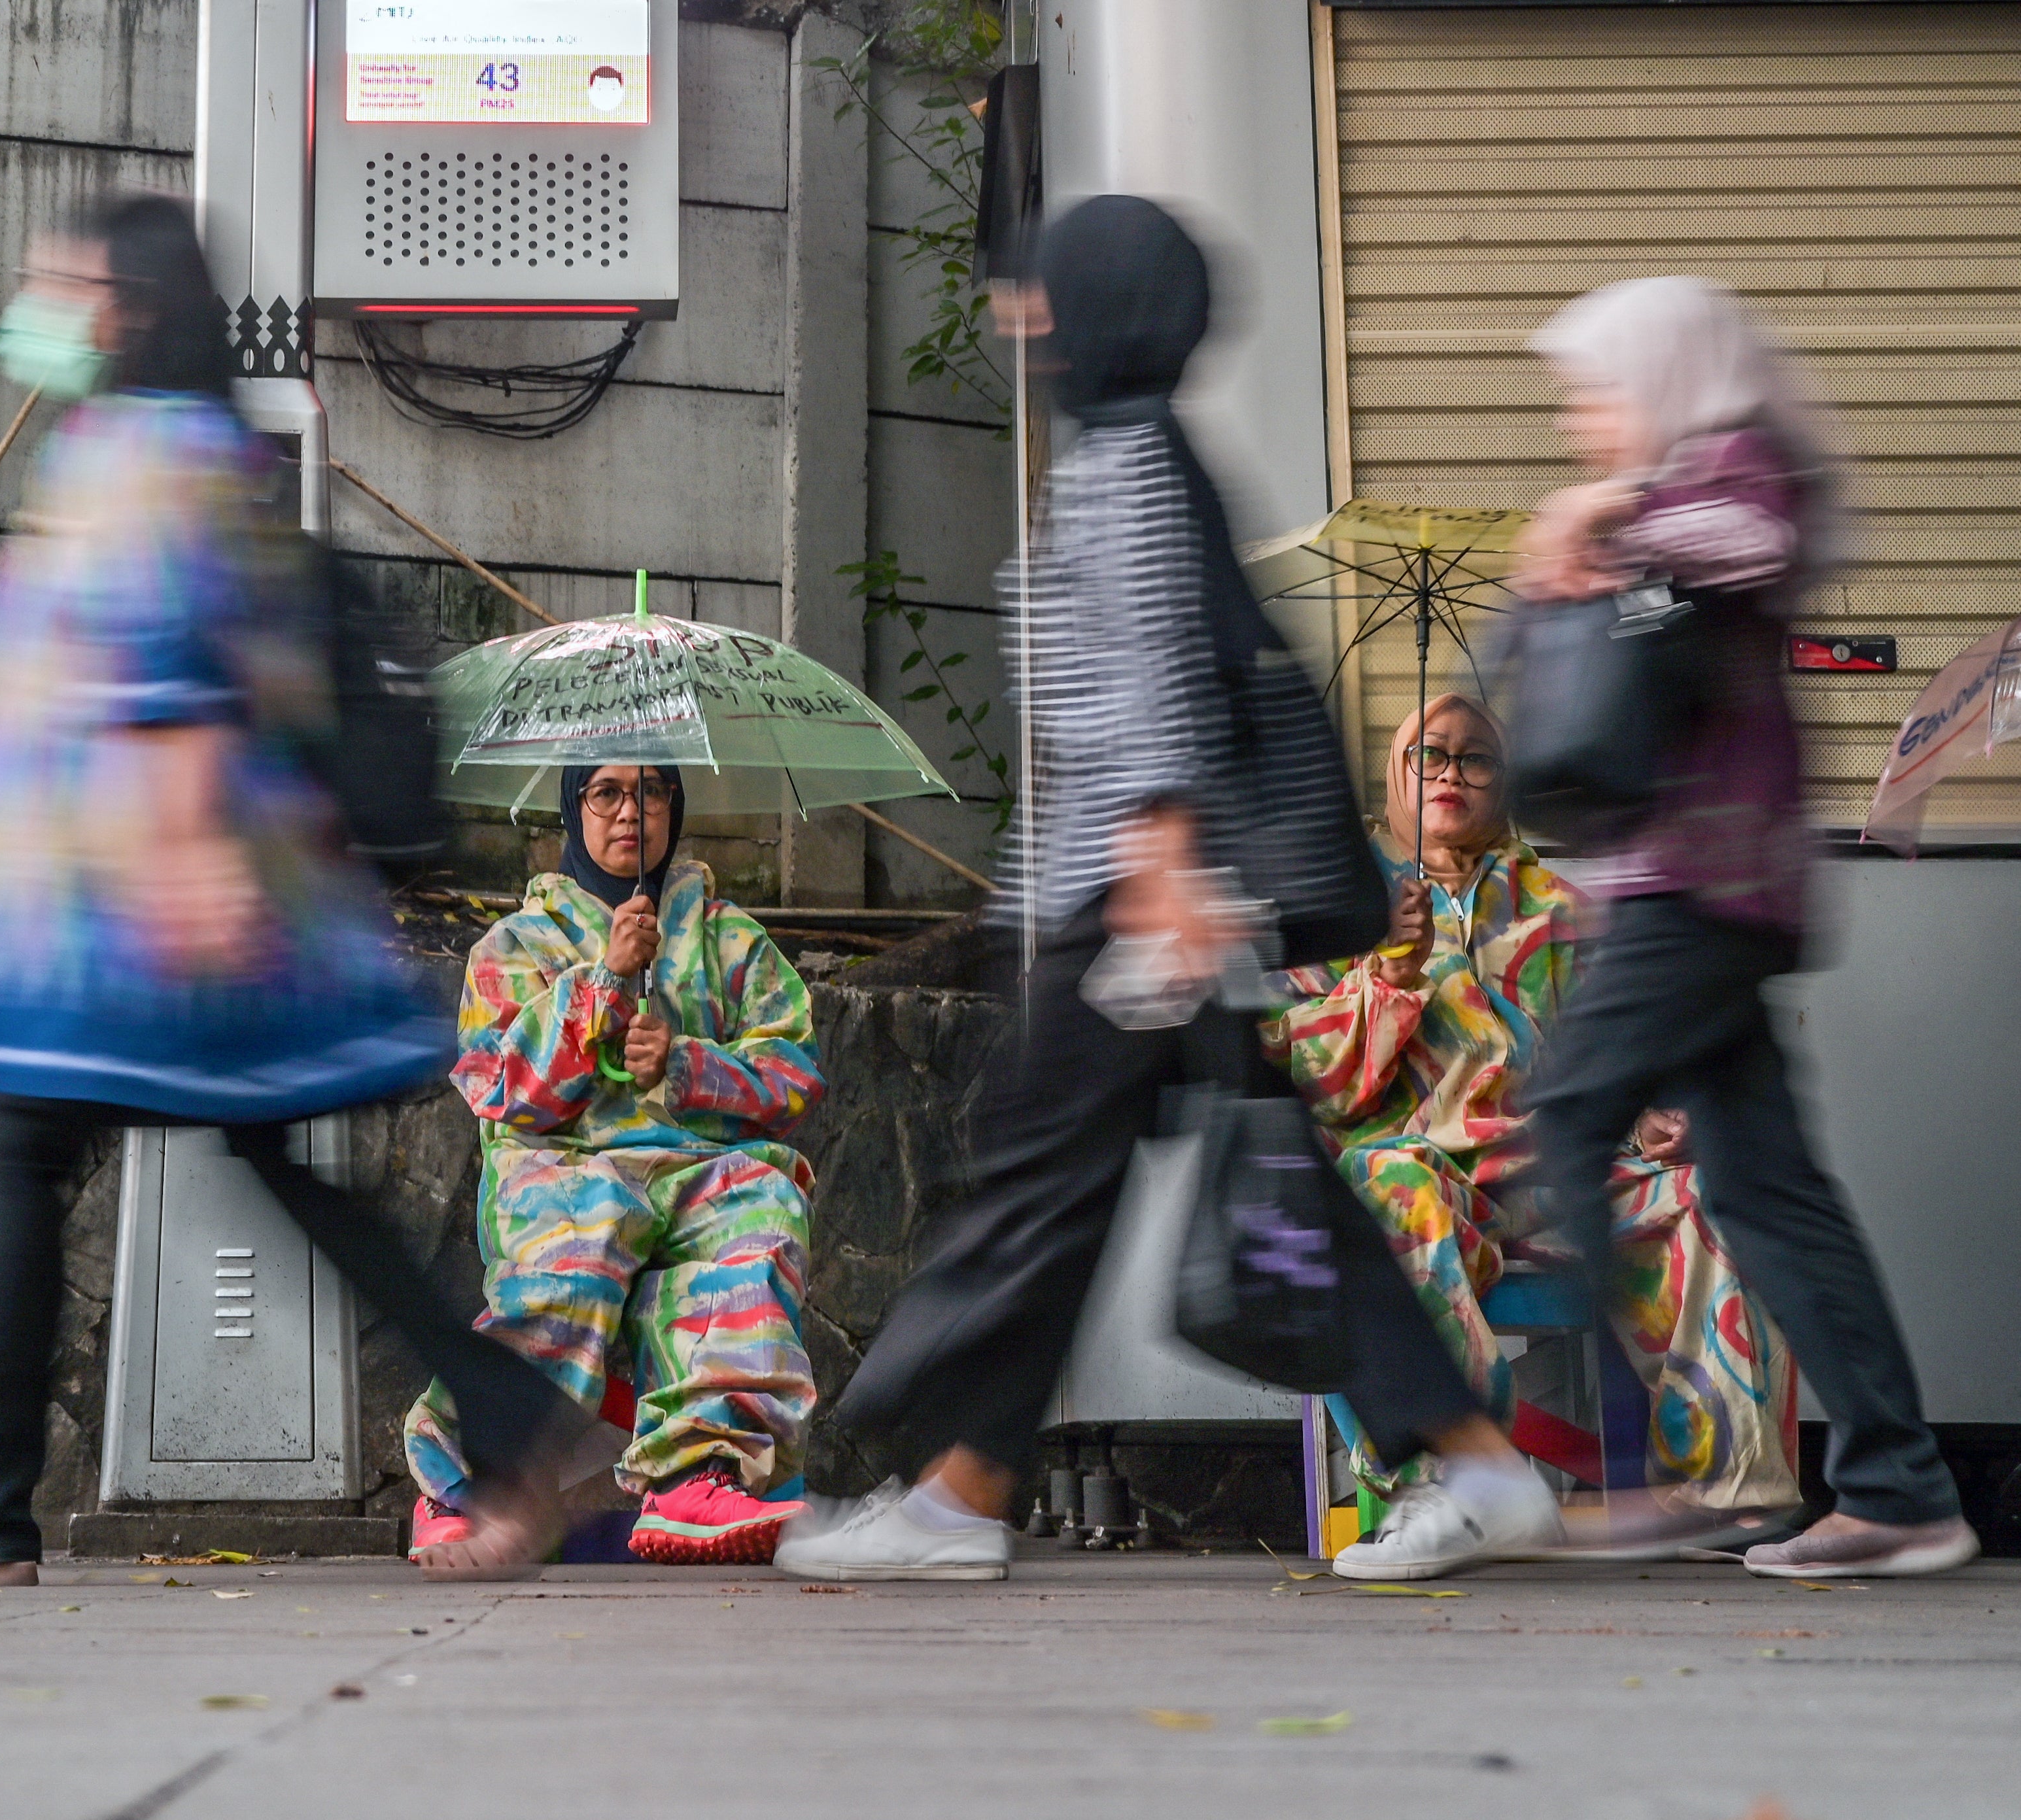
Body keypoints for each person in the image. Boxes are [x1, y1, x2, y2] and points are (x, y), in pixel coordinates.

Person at [0, 192, 572, 1588]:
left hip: (130, 921)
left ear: (122, 306)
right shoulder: (156, 448)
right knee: (258, 1166)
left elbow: (176, 675)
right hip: (137, 901)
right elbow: (69, 706)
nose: (35, 302)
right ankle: (518, 1425)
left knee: (26, 1151)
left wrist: (193, 864)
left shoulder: (147, 459)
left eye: (56, 279)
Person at [776, 196, 1564, 1585]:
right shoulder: (1140, 451)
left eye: (1046, 295)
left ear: (1097, 309)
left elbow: (1151, 673)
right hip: (1153, 897)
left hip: (1137, 907)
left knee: (1031, 1181)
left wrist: (1154, 862)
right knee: (1154, 1189)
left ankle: (959, 1492)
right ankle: (1472, 1462)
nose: (1025, 319)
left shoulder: (1121, 463)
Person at [1516, 275, 1977, 1577]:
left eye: (1593, 388)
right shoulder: (1670, 502)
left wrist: (1604, 511)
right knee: (1769, 1191)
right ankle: (1896, 1489)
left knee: (1563, 1114)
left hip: (1707, 894)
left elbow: (1761, 541)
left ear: (1664, 375)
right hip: (1690, 897)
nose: (1578, 418)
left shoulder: (1732, 464)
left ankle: (1643, 1466)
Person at [1265, 693, 1800, 1543]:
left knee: (1714, 1188)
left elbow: (1629, 1040)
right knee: (1386, 1190)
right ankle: (1451, 1489)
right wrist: (1382, 974)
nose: (1449, 772)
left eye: (1474, 757)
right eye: (1426, 754)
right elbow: (1296, 1073)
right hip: (1420, 1164)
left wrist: (1654, 1111)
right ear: (1392, 779)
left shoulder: (1562, 908)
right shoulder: (1335, 897)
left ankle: (1727, 1488)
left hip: (1559, 1172)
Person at [405, 763, 822, 1566]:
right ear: (574, 807)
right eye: (606, 792)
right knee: (578, 1242)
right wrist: (602, 982)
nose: (631, 812)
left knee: (758, 1211)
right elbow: (499, 1085)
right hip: (563, 1161)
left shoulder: (732, 938)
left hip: (701, 1165)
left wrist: (688, 1064)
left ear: (675, 805)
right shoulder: (513, 945)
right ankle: (461, 1480)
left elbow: (795, 1069)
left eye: (653, 791)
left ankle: (704, 1475)